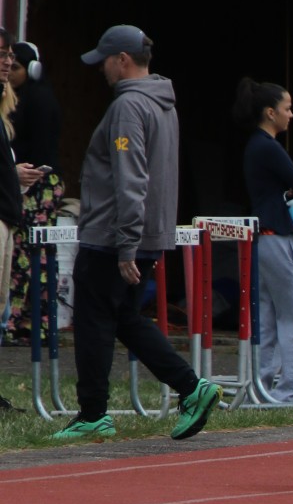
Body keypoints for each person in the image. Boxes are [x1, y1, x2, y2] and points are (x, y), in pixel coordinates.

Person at [52, 25, 221, 441]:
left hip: (114, 236)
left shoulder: (128, 106)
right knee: (125, 318)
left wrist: (126, 242)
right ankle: (191, 387)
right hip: (147, 233)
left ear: (122, 60)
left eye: (105, 61)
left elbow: (131, 176)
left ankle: (93, 412)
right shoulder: (164, 103)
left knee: (93, 318)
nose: (102, 70)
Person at [236, 78, 293, 403]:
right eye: (287, 108)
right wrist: (292, 191)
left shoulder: (253, 146)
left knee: (267, 320)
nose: (291, 114)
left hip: (263, 240)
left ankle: (261, 388)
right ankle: (292, 391)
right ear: (271, 112)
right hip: (282, 240)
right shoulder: (269, 147)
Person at [4, 40, 64, 344]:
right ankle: (33, 322)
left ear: (32, 69)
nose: (10, 72)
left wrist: (23, 179)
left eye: (16, 67)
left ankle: (15, 320)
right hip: (33, 182)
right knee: (34, 255)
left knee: (25, 254)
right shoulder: (19, 99)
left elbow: (37, 148)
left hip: (37, 184)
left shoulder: (37, 100)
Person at [0, 29, 46, 409]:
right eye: (1, 54)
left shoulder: (4, 109)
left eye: (11, 56)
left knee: (0, 308)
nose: (7, 62)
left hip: (5, 216)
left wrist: (13, 176)